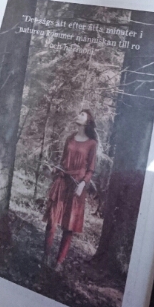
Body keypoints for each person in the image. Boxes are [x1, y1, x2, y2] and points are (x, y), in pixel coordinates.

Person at [42, 109, 98, 271]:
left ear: (88, 121)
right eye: (79, 113)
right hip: (62, 181)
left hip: (77, 187)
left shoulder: (92, 144)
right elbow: (63, 162)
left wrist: (83, 184)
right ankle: (46, 257)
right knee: (52, 221)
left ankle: (59, 262)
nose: (78, 115)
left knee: (69, 226)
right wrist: (53, 170)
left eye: (82, 114)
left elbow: (91, 169)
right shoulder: (70, 138)